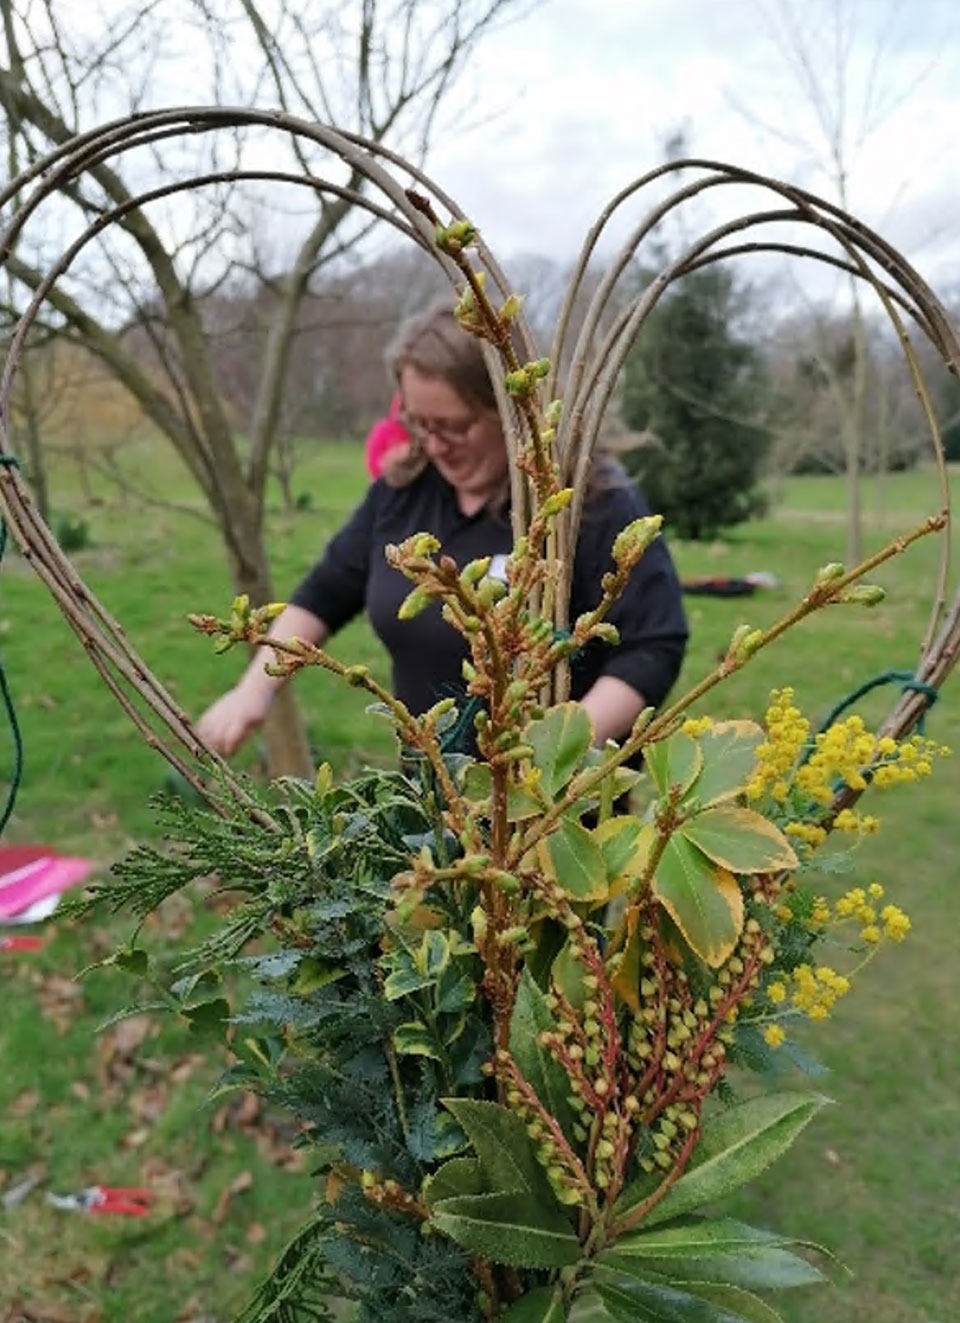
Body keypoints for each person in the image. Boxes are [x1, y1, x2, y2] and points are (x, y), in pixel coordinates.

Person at [196, 303, 688, 760]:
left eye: (455, 426)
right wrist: (252, 691)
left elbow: (653, 645)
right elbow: (325, 591)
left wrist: (550, 756)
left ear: (513, 412)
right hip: (432, 807)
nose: (435, 445)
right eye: (420, 424)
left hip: (553, 817)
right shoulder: (404, 491)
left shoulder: (587, 505)